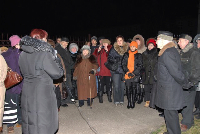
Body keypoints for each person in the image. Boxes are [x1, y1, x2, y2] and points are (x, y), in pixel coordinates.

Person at [19, 29, 64, 134]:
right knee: (43, 122)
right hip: (42, 92)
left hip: (27, 91)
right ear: (42, 38)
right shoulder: (44, 54)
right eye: (46, 38)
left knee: (31, 120)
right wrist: (54, 58)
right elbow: (58, 73)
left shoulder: (22, 54)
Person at [155, 31, 186, 134]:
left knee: (171, 116)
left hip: (170, 91)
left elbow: (176, 73)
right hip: (168, 89)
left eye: (158, 39)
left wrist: (185, 83)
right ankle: (171, 131)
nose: (156, 41)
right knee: (169, 115)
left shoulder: (168, 53)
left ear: (164, 40)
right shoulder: (169, 51)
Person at [177, 34, 200, 131]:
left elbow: (197, 69)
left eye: (180, 41)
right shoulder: (182, 52)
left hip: (190, 83)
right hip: (182, 82)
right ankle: (189, 120)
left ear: (187, 41)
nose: (178, 43)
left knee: (188, 103)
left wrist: (192, 82)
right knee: (183, 102)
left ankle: (187, 123)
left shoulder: (194, 52)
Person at [2, 35, 23, 133]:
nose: (20, 45)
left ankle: (19, 120)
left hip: (20, 83)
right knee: (11, 104)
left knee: (18, 103)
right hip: (12, 83)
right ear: (15, 44)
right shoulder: (9, 55)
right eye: (19, 43)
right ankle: (10, 125)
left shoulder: (19, 53)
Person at [107, 35, 128, 106]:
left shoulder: (127, 49)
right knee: (116, 86)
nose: (119, 42)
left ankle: (121, 100)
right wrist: (116, 60)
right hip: (115, 70)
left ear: (123, 41)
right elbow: (109, 58)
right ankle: (116, 100)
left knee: (122, 86)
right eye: (118, 40)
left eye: (120, 40)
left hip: (124, 70)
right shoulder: (113, 49)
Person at [122, 41, 142, 109]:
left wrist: (134, 73)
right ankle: (129, 102)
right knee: (128, 89)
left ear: (136, 47)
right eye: (131, 46)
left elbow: (140, 65)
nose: (132, 48)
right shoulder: (126, 54)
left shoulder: (139, 55)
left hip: (134, 75)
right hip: (128, 74)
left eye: (134, 46)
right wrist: (127, 71)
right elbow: (123, 64)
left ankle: (133, 102)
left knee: (134, 88)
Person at [55, 37, 75, 105]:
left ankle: (68, 99)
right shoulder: (57, 49)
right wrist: (70, 66)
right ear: (61, 42)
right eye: (64, 43)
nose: (66, 44)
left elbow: (69, 59)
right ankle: (62, 101)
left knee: (69, 85)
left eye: (67, 43)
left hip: (68, 70)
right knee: (62, 86)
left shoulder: (65, 49)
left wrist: (73, 65)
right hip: (62, 70)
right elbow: (61, 61)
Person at [93, 39, 112, 103]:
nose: (104, 44)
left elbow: (111, 58)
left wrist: (107, 51)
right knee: (100, 85)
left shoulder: (111, 50)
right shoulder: (99, 50)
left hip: (108, 71)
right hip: (100, 71)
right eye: (103, 43)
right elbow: (93, 57)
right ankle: (100, 98)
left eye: (106, 43)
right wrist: (97, 51)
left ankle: (109, 97)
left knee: (108, 85)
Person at [142, 38, 158, 107]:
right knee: (146, 89)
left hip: (153, 74)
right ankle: (147, 101)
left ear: (154, 46)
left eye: (151, 45)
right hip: (146, 74)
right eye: (149, 45)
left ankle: (153, 102)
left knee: (153, 89)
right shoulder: (144, 54)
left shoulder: (156, 54)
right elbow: (142, 63)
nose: (150, 47)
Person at [0, 49, 8, 132]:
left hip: (0, 86)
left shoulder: (0, 58)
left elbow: (4, 69)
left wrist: (1, 81)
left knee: (0, 106)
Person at [193, 34, 200, 119]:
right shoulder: (196, 52)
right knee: (197, 94)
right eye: (198, 42)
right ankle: (198, 108)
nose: (198, 44)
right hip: (197, 76)